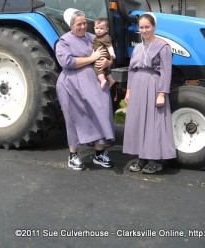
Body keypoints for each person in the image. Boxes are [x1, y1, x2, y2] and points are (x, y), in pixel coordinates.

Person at [55, 9, 115, 171]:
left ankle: (99, 153)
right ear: (71, 25)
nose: (83, 26)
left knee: (101, 113)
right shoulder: (63, 41)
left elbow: (106, 55)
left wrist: (107, 64)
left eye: (84, 23)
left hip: (95, 84)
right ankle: (73, 155)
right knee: (74, 118)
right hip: (71, 86)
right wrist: (92, 58)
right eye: (78, 24)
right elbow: (67, 62)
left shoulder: (93, 38)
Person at [123, 13, 177, 174]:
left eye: (147, 27)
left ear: (154, 27)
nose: (144, 30)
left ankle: (155, 159)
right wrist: (129, 90)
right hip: (138, 85)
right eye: (141, 27)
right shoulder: (138, 47)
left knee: (154, 122)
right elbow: (132, 70)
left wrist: (162, 93)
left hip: (154, 85)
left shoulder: (163, 46)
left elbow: (166, 72)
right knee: (139, 121)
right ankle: (142, 157)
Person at [93, 18, 116, 90]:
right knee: (105, 70)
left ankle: (102, 80)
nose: (99, 30)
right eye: (97, 28)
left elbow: (109, 46)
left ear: (106, 30)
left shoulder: (105, 38)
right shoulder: (96, 37)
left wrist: (112, 54)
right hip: (99, 55)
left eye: (101, 28)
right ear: (94, 28)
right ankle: (111, 80)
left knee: (98, 67)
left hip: (102, 56)